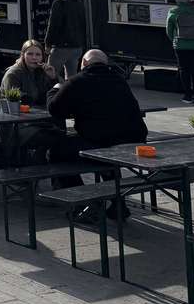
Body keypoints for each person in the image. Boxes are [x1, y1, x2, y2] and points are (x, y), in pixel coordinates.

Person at [47, 50, 147, 196]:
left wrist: (53, 90)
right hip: (134, 140)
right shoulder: (119, 80)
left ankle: (81, 199)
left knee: (55, 152)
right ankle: (117, 204)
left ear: (85, 63)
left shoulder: (77, 81)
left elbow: (55, 110)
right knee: (106, 157)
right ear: (105, 64)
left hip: (101, 143)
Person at [0, 39, 59, 164]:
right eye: (30, 54)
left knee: (62, 134)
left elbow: (55, 95)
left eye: (38, 54)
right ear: (23, 55)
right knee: (51, 137)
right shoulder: (14, 73)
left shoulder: (42, 72)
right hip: (13, 123)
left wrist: (53, 78)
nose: (34, 58)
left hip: (36, 119)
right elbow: (18, 99)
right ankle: (34, 165)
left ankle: (45, 166)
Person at [44, 0, 87, 81]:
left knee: (50, 76)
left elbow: (53, 25)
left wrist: (48, 44)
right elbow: (83, 24)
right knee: (71, 78)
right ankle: (69, 95)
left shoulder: (59, 3)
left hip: (61, 47)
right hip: (77, 47)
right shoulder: (79, 3)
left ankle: (53, 95)